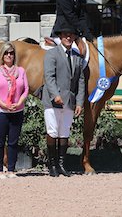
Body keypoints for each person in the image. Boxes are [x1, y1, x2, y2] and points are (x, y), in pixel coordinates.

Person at [42, 22, 84, 177]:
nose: (68, 37)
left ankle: (61, 164)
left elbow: (80, 81)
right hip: (53, 100)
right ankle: (52, 165)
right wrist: (55, 94)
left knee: (64, 132)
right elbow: (49, 76)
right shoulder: (51, 54)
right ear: (60, 36)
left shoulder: (77, 57)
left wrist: (79, 102)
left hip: (70, 100)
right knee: (52, 131)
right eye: (65, 34)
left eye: (71, 34)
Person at [0, 42, 29, 179]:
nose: (9, 55)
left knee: (13, 142)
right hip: (0, 111)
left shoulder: (21, 71)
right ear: (2, 55)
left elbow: (26, 90)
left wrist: (19, 103)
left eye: (11, 53)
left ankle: (11, 169)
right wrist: (4, 105)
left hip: (17, 110)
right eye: (6, 53)